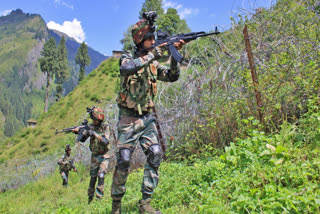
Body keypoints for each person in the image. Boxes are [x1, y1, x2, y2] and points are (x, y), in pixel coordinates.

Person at [111, 11, 186, 214]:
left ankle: (145, 204)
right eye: (149, 38)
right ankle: (116, 205)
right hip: (128, 118)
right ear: (139, 40)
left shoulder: (153, 63)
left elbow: (172, 76)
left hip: (147, 118)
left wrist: (173, 56)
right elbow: (126, 69)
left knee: (155, 155)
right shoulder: (128, 57)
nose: (153, 41)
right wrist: (153, 54)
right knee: (124, 159)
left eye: (154, 38)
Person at [73, 106, 110, 204]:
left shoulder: (105, 126)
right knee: (93, 178)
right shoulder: (90, 127)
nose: (94, 122)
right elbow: (82, 139)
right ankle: (90, 199)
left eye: (95, 120)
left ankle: (99, 199)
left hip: (104, 156)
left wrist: (94, 134)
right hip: (94, 157)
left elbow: (106, 141)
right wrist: (79, 132)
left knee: (101, 175)